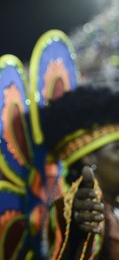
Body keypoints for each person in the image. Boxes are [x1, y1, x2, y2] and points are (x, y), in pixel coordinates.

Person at [43, 85, 118, 259]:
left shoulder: (114, 205)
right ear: (89, 159)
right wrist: (78, 233)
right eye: (117, 148)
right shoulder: (70, 212)